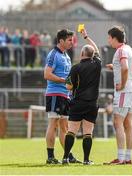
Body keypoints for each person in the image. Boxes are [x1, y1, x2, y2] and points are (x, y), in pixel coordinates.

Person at [62, 27, 101, 165]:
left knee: (71, 131)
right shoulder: (97, 64)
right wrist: (86, 37)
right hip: (92, 104)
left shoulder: (75, 68)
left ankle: (65, 158)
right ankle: (86, 160)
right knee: (88, 133)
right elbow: (96, 49)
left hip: (78, 103)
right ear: (93, 55)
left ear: (82, 54)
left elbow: (68, 86)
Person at [44, 29, 81, 164]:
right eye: (69, 40)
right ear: (61, 41)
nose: (72, 42)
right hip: (55, 94)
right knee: (53, 124)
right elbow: (47, 74)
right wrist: (63, 80)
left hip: (65, 95)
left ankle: (68, 155)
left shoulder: (66, 55)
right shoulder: (53, 55)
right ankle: (50, 156)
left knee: (64, 127)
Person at [104, 25, 132, 165]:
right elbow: (124, 67)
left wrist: (122, 85)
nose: (108, 40)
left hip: (124, 91)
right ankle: (128, 158)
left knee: (118, 122)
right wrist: (114, 67)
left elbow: (125, 68)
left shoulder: (121, 50)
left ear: (113, 37)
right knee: (128, 124)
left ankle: (120, 158)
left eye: (109, 37)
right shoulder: (129, 49)